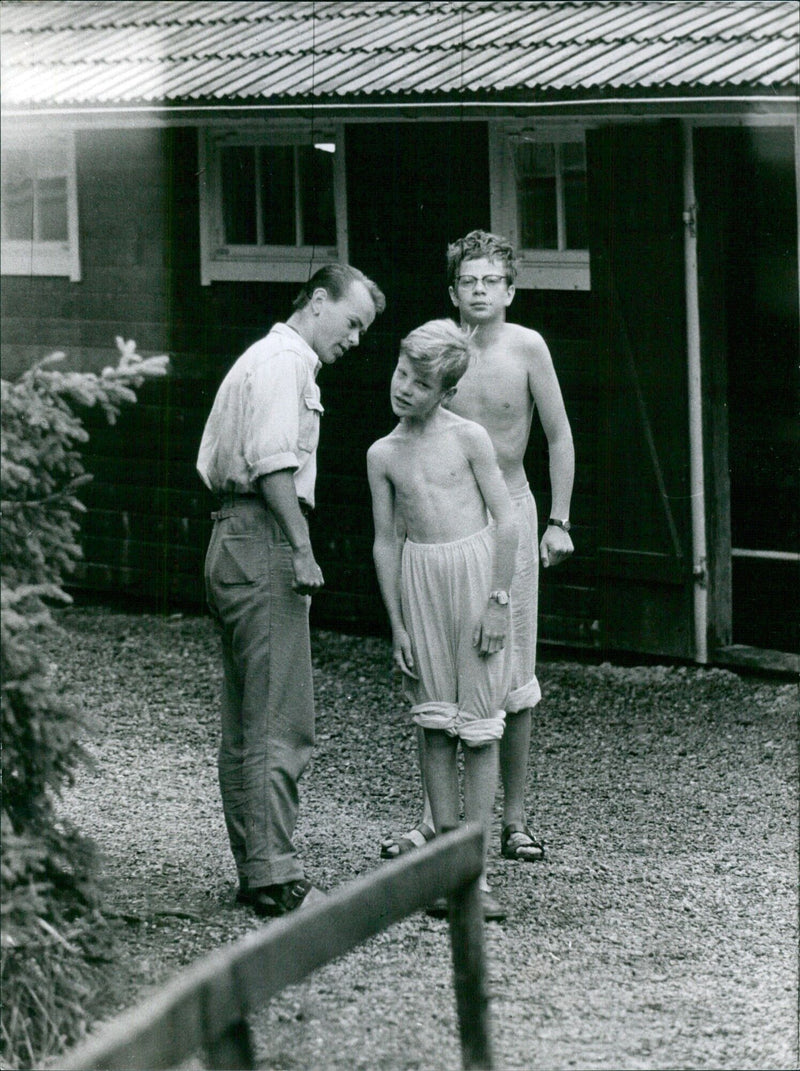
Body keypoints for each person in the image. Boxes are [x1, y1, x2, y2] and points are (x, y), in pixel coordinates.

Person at [380, 229, 574, 864]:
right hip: (445, 525)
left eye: (493, 281)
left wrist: (560, 519)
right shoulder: (439, 349)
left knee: (508, 671)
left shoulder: (528, 347)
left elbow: (558, 435)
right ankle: (436, 823)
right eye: (470, 282)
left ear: (510, 289)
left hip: (509, 514)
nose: (481, 291)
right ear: (453, 291)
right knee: (439, 675)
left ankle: (512, 820)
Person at [198, 264, 385, 917]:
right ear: (315, 301)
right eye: (352, 321)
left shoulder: (265, 357)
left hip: (234, 534)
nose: (356, 338)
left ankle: (259, 868)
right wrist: (300, 548)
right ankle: (274, 878)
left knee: (250, 721)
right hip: (262, 535)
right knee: (281, 720)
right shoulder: (286, 361)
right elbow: (274, 463)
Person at [367, 319, 519, 921]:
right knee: (433, 724)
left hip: (477, 577)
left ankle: (472, 875)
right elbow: (385, 541)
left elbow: (506, 521)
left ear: (446, 393)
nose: (404, 388)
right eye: (402, 373)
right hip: (420, 579)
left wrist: (498, 601)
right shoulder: (382, 453)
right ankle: (442, 871)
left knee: (479, 728)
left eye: (420, 383)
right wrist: (397, 623)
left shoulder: (470, 438)